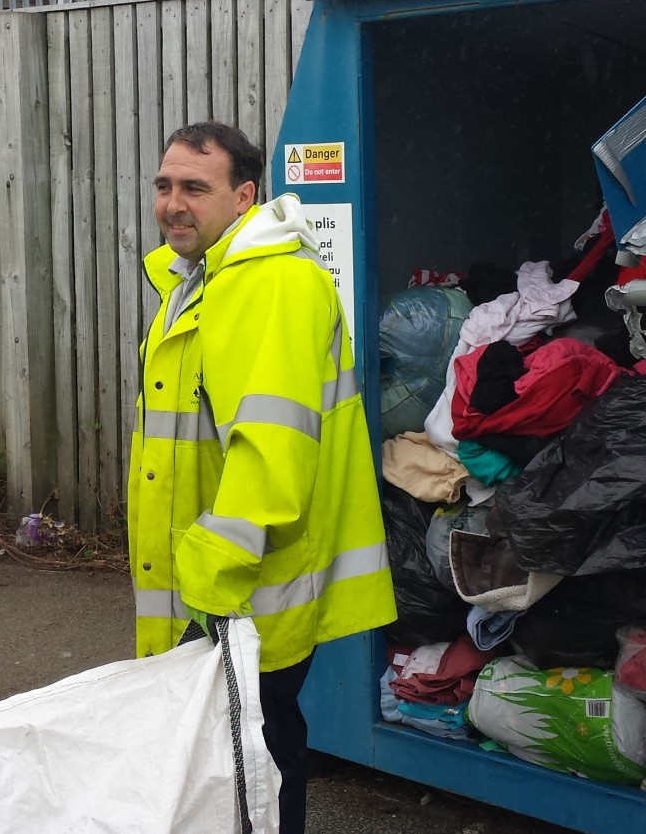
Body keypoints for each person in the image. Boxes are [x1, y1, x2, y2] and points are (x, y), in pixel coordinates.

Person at [128, 121, 397, 834]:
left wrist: (207, 582)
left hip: (238, 591)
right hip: (225, 586)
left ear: (245, 195)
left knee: (251, 767)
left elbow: (270, 454)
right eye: (164, 186)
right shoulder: (205, 280)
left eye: (195, 187)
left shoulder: (266, 283)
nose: (173, 203)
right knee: (246, 757)